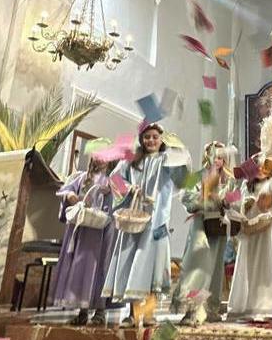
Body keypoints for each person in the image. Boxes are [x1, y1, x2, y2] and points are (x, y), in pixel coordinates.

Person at [101, 123, 187, 327]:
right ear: (141, 140)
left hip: (156, 222)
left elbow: (182, 175)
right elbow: (114, 179)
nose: (151, 140)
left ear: (161, 139)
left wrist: (177, 147)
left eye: (155, 137)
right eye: (147, 137)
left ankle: (148, 314)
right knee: (132, 265)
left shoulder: (165, 159)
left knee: (152, 267)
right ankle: (132, 314)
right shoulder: (133, 162)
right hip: (134, 220)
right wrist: (130, 188)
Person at [228, 110, 272, 323]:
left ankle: (269, 304)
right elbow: (245, 182)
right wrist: (247, 198)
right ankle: (249, 304)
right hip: (255, 211)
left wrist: (271, 190)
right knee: (253, 255)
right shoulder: (260, 156)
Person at [171, 141, 235, 325]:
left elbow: (238, 197)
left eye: (222, 157)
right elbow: (186, 198)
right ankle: (191, 310)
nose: (218, 160)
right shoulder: (198, 177)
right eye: (215, 156)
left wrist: (226, 201)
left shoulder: (229, 179)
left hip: (220, 228)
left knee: (215, 270)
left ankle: (211, 309)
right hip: (201, 227)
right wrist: (205, 199)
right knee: (198, 268)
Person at [51, 155, 119, 325]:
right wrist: (71, 196)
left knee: (102, 267)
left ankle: (100, 311)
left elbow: (126, 194)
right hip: (85, 231)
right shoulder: (82, 177)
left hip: (105, 231)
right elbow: (65, 190)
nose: (100, 159)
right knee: (83, 268)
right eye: (97, 156)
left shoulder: (116, 176)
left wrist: (113, 188)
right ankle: (82, 310)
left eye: (104, 155)